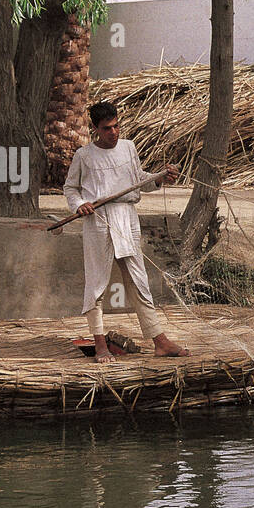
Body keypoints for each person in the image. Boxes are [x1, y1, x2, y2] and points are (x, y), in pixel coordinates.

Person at [64, 101, 190, 363]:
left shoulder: (128, 148)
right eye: (107, 128)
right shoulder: (84, 155)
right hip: (98, 220)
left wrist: (158, 178)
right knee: (97, 282)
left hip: (126, 217)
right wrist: (80, 204)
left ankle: (160, 341)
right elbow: (70, 189)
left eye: (117, 126)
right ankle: (100, 345)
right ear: (96, 129)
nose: (114, 132)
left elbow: (138, 179)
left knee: (138, 279)